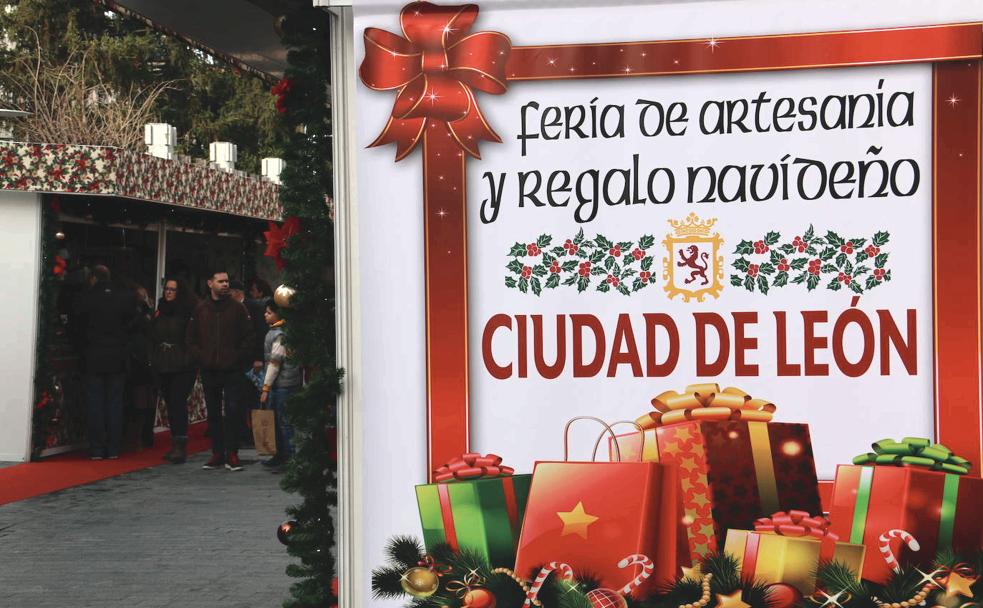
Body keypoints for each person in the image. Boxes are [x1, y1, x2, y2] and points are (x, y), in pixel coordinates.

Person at [186, 269, 254, 471]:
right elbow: (191, 339)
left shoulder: (237, 309)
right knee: (214, 412)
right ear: (210, 283)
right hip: (210, 368)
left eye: (226, 281)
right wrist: (202, 356)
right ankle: (217, 452)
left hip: (231, 368)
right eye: (221, 281)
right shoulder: (201, 309)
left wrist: (236, 357)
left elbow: (249, 337)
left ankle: (232, 452)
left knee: (233, 410)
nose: (225, 284)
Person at [73, 265, 136, 460]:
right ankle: (114, 448)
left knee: (95, 403)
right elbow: (133, 323)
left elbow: (77, 327)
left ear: (93, 278)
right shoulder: (124, 297)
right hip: (117, 356)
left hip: (93, 355)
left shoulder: (86, 298)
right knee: (114, 403)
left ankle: (97, 448)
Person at [152, 277, 198, 464]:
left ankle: (180, 444)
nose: (169, 292)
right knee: (170, 402)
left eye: (173, 289)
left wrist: (187, 358)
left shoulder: (186, 313)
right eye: (167, 289)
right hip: (163, 362)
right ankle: (175, 442)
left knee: (178, 401)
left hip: (182, 364)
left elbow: (192, 338)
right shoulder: (160, 311)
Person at [259, 299, 301, 468]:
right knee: (278, 420)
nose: (265, 315)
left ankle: (290, 455)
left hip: (284, 383)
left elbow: (275, 363)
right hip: (282, 382)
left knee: (284, 421)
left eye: (269, 312)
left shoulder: (280, 335)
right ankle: (281, 453)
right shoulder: (277, 332)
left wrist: (266, 386)